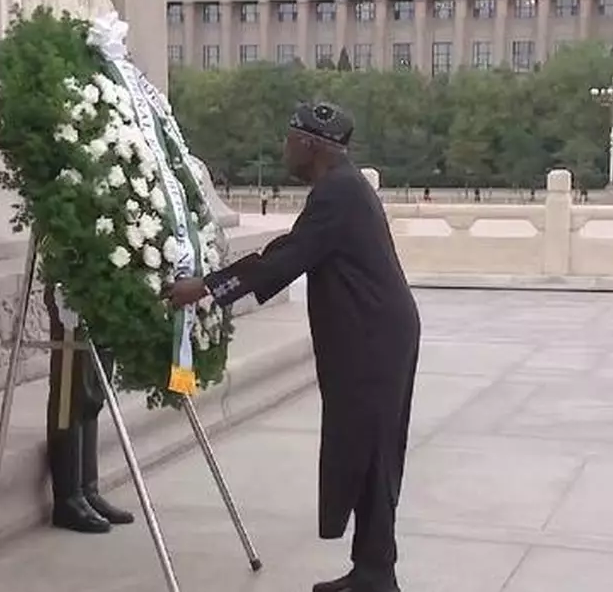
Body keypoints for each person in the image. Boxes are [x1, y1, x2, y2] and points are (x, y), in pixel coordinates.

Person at [164, 102, 421, 592]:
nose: (285, 150)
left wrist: (206, 289)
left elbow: (285, 260)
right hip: (376, 336)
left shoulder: (338, 193)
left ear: (310, 146)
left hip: (373, 341)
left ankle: (377, 573)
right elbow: (289, 250)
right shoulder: (340, 186)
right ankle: (373, 570)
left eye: (289, 141)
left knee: (372, 453)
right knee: (370, 452)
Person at [42, 287, 136, 533]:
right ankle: (68, 497)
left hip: (102, 282)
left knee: (94, 388)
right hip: (71, 281)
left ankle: (87, 489)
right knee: (72, 388)